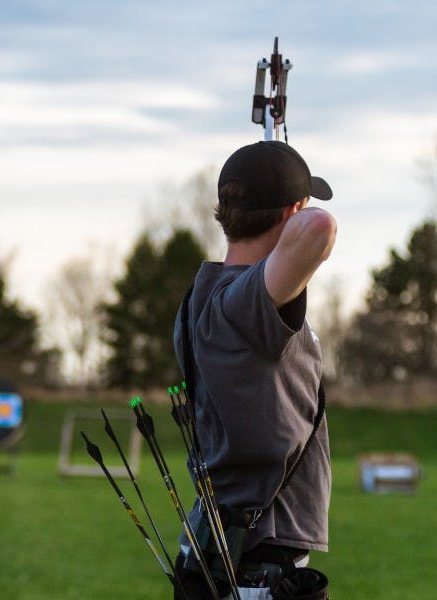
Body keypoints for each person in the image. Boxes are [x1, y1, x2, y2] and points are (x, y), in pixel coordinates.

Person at [172, 141, 336, 599]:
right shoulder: (242, 307)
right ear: (292, 210)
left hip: (230, 550)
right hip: (258, 557)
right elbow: (319, 226)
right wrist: (297, 213)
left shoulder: (200, 300)